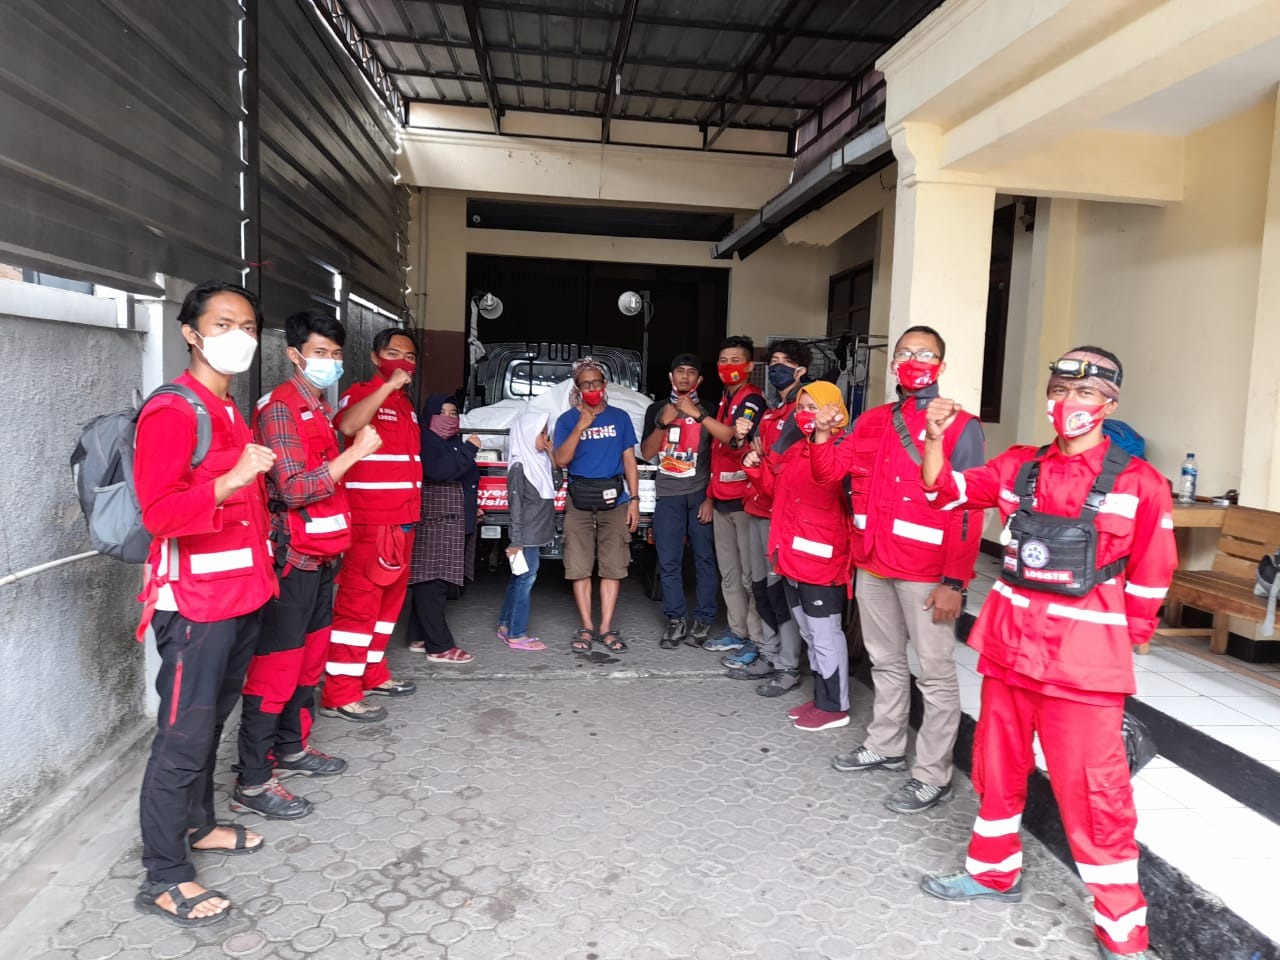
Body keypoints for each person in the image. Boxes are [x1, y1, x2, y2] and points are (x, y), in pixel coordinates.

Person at [918, 347, 1176, 960]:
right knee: (996, 771)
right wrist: (935, 436)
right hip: (1008, 652)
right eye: (1060, 390)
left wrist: (1123, 642)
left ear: (1110, 404)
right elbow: (943, 491)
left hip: (1082, 669)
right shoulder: (1017, 467)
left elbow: (1151, 578)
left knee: (1095, 794)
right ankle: (991, 873)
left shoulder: (1140, 483)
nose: (1069, 404)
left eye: (1085, 394)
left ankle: (1123, 932)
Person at [132, 281, 276, 926]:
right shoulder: (173, 410)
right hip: (194, 606)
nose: (238, 335)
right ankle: (163, 875)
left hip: (241, 598)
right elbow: (159, 512)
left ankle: (200, 826)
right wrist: (232, 478)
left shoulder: (226, 408)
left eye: (247, 324)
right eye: (223, 323)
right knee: (182, 738)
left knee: (210, 725)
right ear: (191, 332)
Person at [809, 325, 985, 814]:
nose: (913, 360)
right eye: (905, 352)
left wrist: (956, 581)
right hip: (873, 563)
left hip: (927, 572)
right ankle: (886, 746)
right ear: (893, 365)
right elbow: (829, 474)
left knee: (934, 672)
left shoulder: (961, 425)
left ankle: (932, 774)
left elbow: (970, 507)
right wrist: (823, 433)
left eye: (924, 353)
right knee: (885, 661)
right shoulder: (870, 422)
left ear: (942, 366)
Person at [233, 310, 383, 820]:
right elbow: (295, 489)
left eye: (337, 355)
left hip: (321, 558)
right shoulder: (280, 410)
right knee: (275, 668)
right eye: (321, 353)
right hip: (291, 560)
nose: (330, 363)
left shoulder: (318, 408)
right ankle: (253, 780)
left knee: (309, 661)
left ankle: (291, 748)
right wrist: (356, 453)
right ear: (294, 354)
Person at [321, 329, 421, 723]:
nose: (403, 362)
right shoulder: (362, 392)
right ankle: (339, 692)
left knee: (387, 607)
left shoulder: (407, 405)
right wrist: (387, 388)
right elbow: (348, 426)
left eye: (410, 357)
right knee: (358, 607)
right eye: (394, 354)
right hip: (370, 522)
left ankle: (371, 674)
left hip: (402, 520)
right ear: (377, 358)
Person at [742, 381, 855, 732]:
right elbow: (776, 492)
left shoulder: (842, 447)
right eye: (801, 408)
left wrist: (822, 436)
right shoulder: (796, 450)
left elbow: (827, 476)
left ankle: (835, 707)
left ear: (834, 411)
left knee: (825, 635)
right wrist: (755, 467)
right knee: (808, 633)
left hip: (821, 560)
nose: (805, 414)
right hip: (790, 555)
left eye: (814, 407)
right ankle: (822, 698)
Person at [728, 339, 812, 694]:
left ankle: (789, 665)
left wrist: (761, 461)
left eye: (784, 362)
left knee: (781, 594)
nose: (776, 367)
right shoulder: (771, 411)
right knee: (760, 589)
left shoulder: (801, 414)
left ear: (801, 371)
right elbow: (753, 456)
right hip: (756, 507)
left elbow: (784, 468)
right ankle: (769, 652)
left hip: (783, 516)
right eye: (773, 361)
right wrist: (747, 448)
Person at [552, 357, 640, 653]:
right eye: (585, 384)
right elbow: (561, 460)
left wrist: (635, 500)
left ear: (604, 386)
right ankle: (587, 627)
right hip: (579, 500)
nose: (591, 388)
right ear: (577, 389)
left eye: (596, 383)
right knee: (578, 566)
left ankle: (606, 629)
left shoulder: (620, 417)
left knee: (613, 566)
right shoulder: (567, 420)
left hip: (615, 499)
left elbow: (630, 460)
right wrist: (581, 425)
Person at [640, 353, 717, 649]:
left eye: (691, 372)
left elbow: (720, 456)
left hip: (700, 495)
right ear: (671, 377)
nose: (685, 377)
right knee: (668, 561)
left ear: (700, 380)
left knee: (704, 560)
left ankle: (704, 619)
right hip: (668, 494)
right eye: (679, 372)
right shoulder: (656, 408)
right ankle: (675, 619)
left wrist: (710, 497)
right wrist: (663, 422)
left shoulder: (709, 409)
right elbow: (647, 453)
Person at [701, 336, 766, 655]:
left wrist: (699, 416)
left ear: (750, 366)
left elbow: (734, 441)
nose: (728, 367)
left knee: (748, 575)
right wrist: (711, 496)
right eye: (723, 361)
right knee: (728, 573)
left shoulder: (751, 399)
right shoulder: (727, 399)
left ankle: (757, 640)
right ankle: (738, 631)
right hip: (723, 497)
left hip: (744, 500)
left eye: (735, 360)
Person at [407, 394, 481, 664]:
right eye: (444, 413)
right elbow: (440, 472)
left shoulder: (451, 442)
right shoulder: (425, 440)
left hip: (453, 519)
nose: (450, 418)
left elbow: (466, 481)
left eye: (454, 413)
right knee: (432, 583)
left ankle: (419, 636)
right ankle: (439, 646)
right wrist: (470, 450)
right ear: (429, 416)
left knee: (430, 581)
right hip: (435, 520)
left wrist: (473, 509)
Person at [497, 412, 554, 651]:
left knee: (519, 578)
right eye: (542, 433)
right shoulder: (519, 466)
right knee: (526, 579)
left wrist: (552, 456)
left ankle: (505, 625)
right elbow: (516, 506)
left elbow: (557, 484)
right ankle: (517, 634)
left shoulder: (539, 461)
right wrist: (516, 540)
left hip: (537, 531)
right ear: (529, 433)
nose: (546, 437)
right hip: (526, 535)